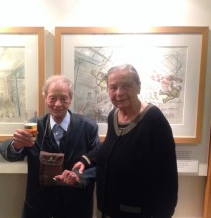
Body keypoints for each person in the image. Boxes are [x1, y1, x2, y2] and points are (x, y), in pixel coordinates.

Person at [72, 64, 178, 218]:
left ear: (138, 87)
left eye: (126, 86)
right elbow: (111, 147)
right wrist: (87, 159)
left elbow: (168, 180)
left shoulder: (154, 120)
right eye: (113, 87)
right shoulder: (114, 115)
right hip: (107, 209)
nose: (119, 93)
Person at [0, 75, 100, 218]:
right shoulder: (34, 125)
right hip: (39, 207)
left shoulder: (88, 127)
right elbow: (9, 154)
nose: (58, 104)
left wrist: (78, 177)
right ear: (46, 98)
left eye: (64, 98)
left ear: (70, 99)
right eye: (52, 98)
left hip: (76, 206)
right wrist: (16, 144)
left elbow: (97, 162)